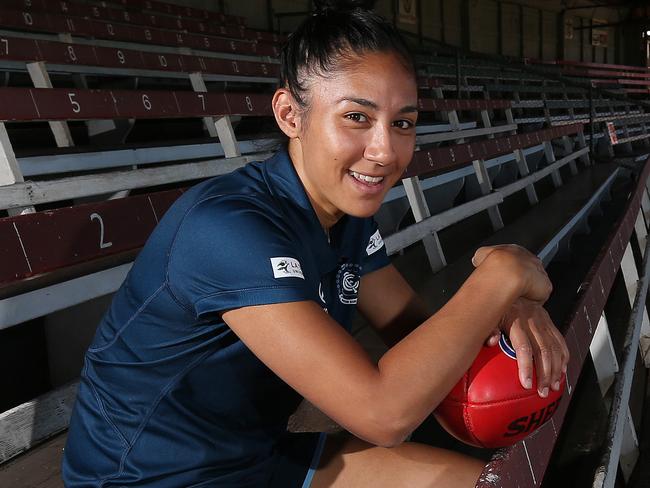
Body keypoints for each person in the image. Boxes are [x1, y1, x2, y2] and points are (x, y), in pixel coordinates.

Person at [62, 1, 569, 486]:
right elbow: (383, 413)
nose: (384, 151)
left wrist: (506, 307)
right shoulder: (228, 227)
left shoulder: (344, 217)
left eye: (404, 123)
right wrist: (501, 276)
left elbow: (418, 332)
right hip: (148, 479)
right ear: (289, 114)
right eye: (356, 117)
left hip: (255, 459)